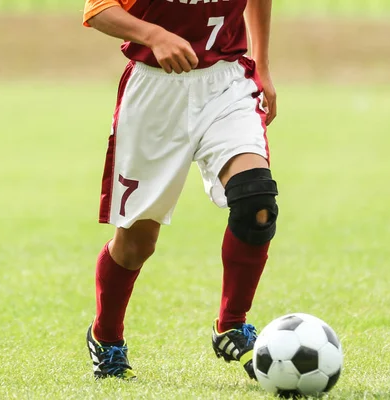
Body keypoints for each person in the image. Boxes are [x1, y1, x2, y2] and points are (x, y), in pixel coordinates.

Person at [83, 0, 279, 381]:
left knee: (257, 202)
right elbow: (97, 9)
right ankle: (105, 337)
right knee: (136, 244)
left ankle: (231, 325)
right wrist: (153, 35)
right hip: (154, 92)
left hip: (226, 83)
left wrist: (264, 67)